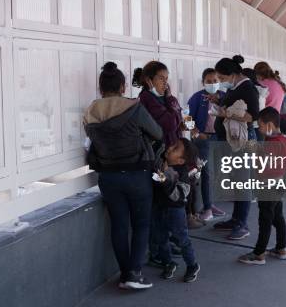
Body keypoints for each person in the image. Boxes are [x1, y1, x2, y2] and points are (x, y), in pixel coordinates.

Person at [84, 62, 163, 290]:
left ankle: (124, 274)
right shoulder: (133, 107)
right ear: (122, 85)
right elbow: (157, 132)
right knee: (141, 224)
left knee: (119, 225)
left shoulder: (91, 112)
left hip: (108, 177)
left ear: (101, 88)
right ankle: (134, 273)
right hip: (138, 174)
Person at [210, 55, 260, 240]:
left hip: (243, 141)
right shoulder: (237, 87)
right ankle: (236, 219)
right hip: (233, 140)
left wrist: (227, 113)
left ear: (232, 74)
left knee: (242, 182)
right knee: (237, 180)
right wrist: (218, 102)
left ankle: (243, 224)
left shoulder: (248, 88)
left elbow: (252, 116)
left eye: (222, 79)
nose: (221, 82)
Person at [238, 107, 286, 265]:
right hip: (279, 184)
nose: (259, 129)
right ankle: (281, 248)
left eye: (260, 125)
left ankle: (259, 254)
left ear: (269, 125)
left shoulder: (271, 145)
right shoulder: (285, 139)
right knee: (277, 217)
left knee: (265, 220)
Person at [151, 138, 201, 283]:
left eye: (175, 148)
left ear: (180, 161)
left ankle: (192, 265)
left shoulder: (182, 174)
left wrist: (164, 180)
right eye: (172, 144)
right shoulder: (161, 162)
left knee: (182, 239)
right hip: (159, 207)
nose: (170, 147)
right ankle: (168, 263)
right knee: (161, 238)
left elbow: (178, 194)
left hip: (175, 211)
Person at [187, 68, 226, 221]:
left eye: (215, 81)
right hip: (202, 140)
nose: (212, 84)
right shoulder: (197, 98)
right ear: (203, 82)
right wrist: (196, 133)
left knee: (216, 173)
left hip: (219, 139)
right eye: (209, 81)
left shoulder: (224, 97)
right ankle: (207, 207)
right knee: (206, 173)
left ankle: (210, 203)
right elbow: (186, 117)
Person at [133, 61, 182, 147]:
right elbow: (170, 124)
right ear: (149, 80)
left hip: (174, 149)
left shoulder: (167, 97)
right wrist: (176, 116)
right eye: (161, 78)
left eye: (166, 79)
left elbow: (181, 118)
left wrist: (170, 98)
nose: (165, 83)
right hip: (160, 152)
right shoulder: (146, 98)